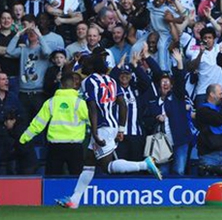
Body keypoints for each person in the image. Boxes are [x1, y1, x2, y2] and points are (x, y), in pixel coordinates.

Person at [55, 53, 162, 209]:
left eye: (87, 63)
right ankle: (74, 200)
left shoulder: (89, 82)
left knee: (107, 167)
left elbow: (92, 107)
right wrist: (121, 129)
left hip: (101, 127)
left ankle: (144, 165)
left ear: (91, 66)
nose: (83, 66)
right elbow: (123, 104)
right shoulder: (112, 80)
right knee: (89, 163)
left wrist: (95, 133)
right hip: (111, 125)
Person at [19, 72, 87, 176]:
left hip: (55, 146)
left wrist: (24, 138)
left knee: (52, 178)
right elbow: (92, 121)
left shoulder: (51, 102)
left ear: (61, 85)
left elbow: (38, 123)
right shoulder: (80, 103)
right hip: (75, 146)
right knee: (77, 178)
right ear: (74, 85)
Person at [195, 83, 222, 171]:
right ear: (212, 94)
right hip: (209, 154)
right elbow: (218, 120)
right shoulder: (203, 110)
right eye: (220, 94)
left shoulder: (221, 108)